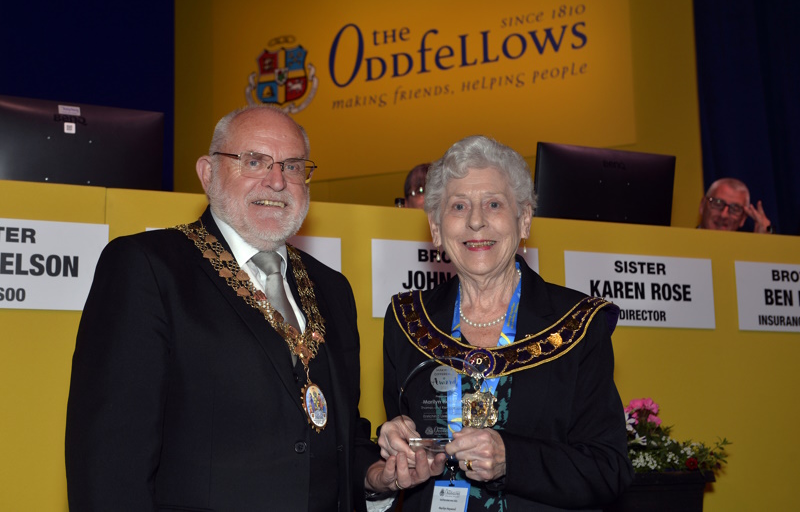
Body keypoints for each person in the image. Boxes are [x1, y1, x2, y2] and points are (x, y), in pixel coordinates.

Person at [65, 105, 387, 511]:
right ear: (207, 173)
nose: (276, 181)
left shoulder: (333, 288)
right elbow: (109, 460)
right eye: (254, 161)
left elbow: (338, 435)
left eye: (292, 166)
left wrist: (379, 475)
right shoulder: (148, 268)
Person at [374, 135, 633, 510]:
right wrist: (396, 444)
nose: (476, 221)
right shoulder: (408, 320)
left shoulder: (577, 324)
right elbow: (402, 437)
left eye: (493, 204)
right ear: (435, 227)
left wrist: (513, 459)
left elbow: (609, 471)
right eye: (458, 205)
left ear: (523, 218)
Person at [698, 177, 773, 233]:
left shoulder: (747, 252)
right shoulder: (686, 242)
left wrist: (768, 232)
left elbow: (773, 231)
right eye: (718, 203)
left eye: (734, 209)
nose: (724, 215)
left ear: (743, 219)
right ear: (702, 206)